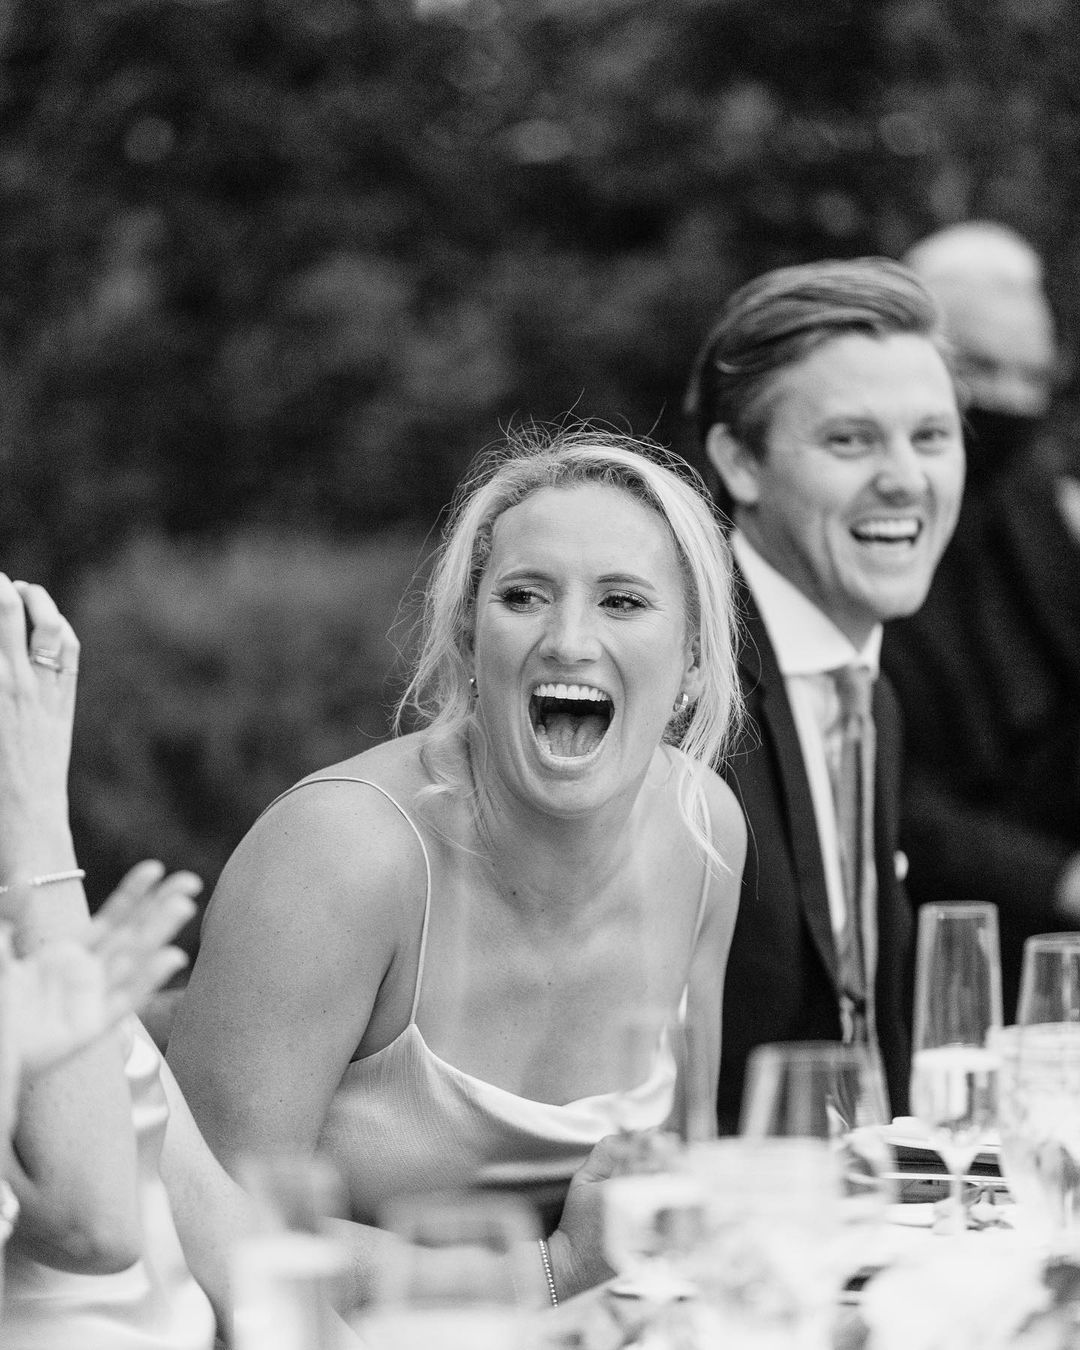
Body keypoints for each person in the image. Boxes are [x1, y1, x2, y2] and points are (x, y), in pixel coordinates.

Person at [166, 425, 747, 1304]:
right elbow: (204, 1223)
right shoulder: (340, 852)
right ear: (471, 640)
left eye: (623, 601)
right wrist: (546, 1273)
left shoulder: (704, 830)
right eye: (524, 596)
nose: (569, 640)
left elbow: (676, 1177)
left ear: (694, 660)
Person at [685, 258, 966, 1132]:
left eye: (932, 437)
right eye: (851, 441)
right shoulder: (680, 684)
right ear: (741, 461)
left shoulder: (870, 696)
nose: (906, 478)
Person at [0, 575, 255, 1348]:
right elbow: (96, 1229)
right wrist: (34, 819)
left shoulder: (34, 921)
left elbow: (222, 1234)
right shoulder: (36, 892)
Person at [881, 222, 1080, 1019]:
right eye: (982, 370)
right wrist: (1055, 876)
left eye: (1033, 375)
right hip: (920, 952)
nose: (1013, 401)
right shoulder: (865, 522)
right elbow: (882, 782)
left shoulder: (1039, 500)